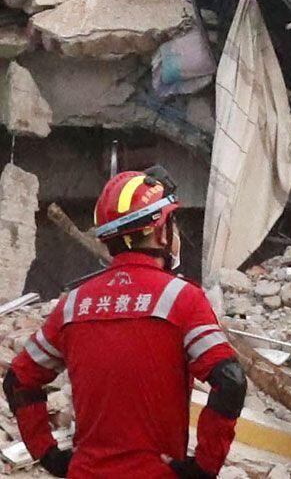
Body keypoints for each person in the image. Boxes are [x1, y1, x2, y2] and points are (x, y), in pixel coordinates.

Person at [3, 167, 245, 478]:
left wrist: (49, 455)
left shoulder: (73, 304)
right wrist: (202, 468)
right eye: (172, 221)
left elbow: (19, 380)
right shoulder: (181, 298)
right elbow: (231, 381)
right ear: (161, 231)